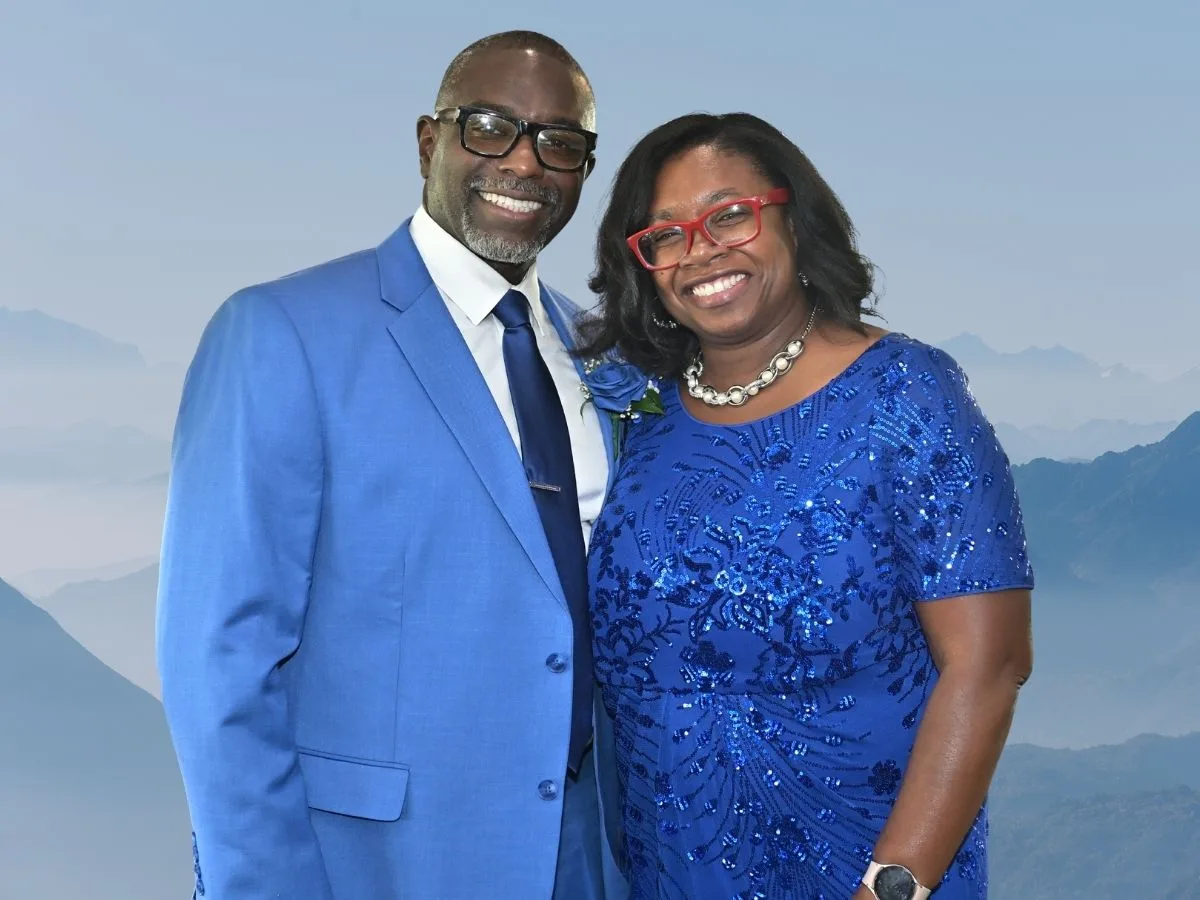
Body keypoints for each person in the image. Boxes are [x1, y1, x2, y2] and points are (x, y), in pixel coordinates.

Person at [157, 30, 627, 900]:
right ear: (428, 141)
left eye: (559, 143)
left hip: (586, 859)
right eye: (490, 127)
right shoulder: (283, 333)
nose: (525, 161)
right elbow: (219, 660)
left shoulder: (602, 355)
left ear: (584, 172)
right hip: (376, 865)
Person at [578, 112, 1034, 900]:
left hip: (863, 873)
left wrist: (892, 887)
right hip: (664, 874)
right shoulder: (638, 417)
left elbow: (990, 665)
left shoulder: (905, 397)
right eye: (666, 235)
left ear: (795, 219)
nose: (701, 251)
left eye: (730, 215)